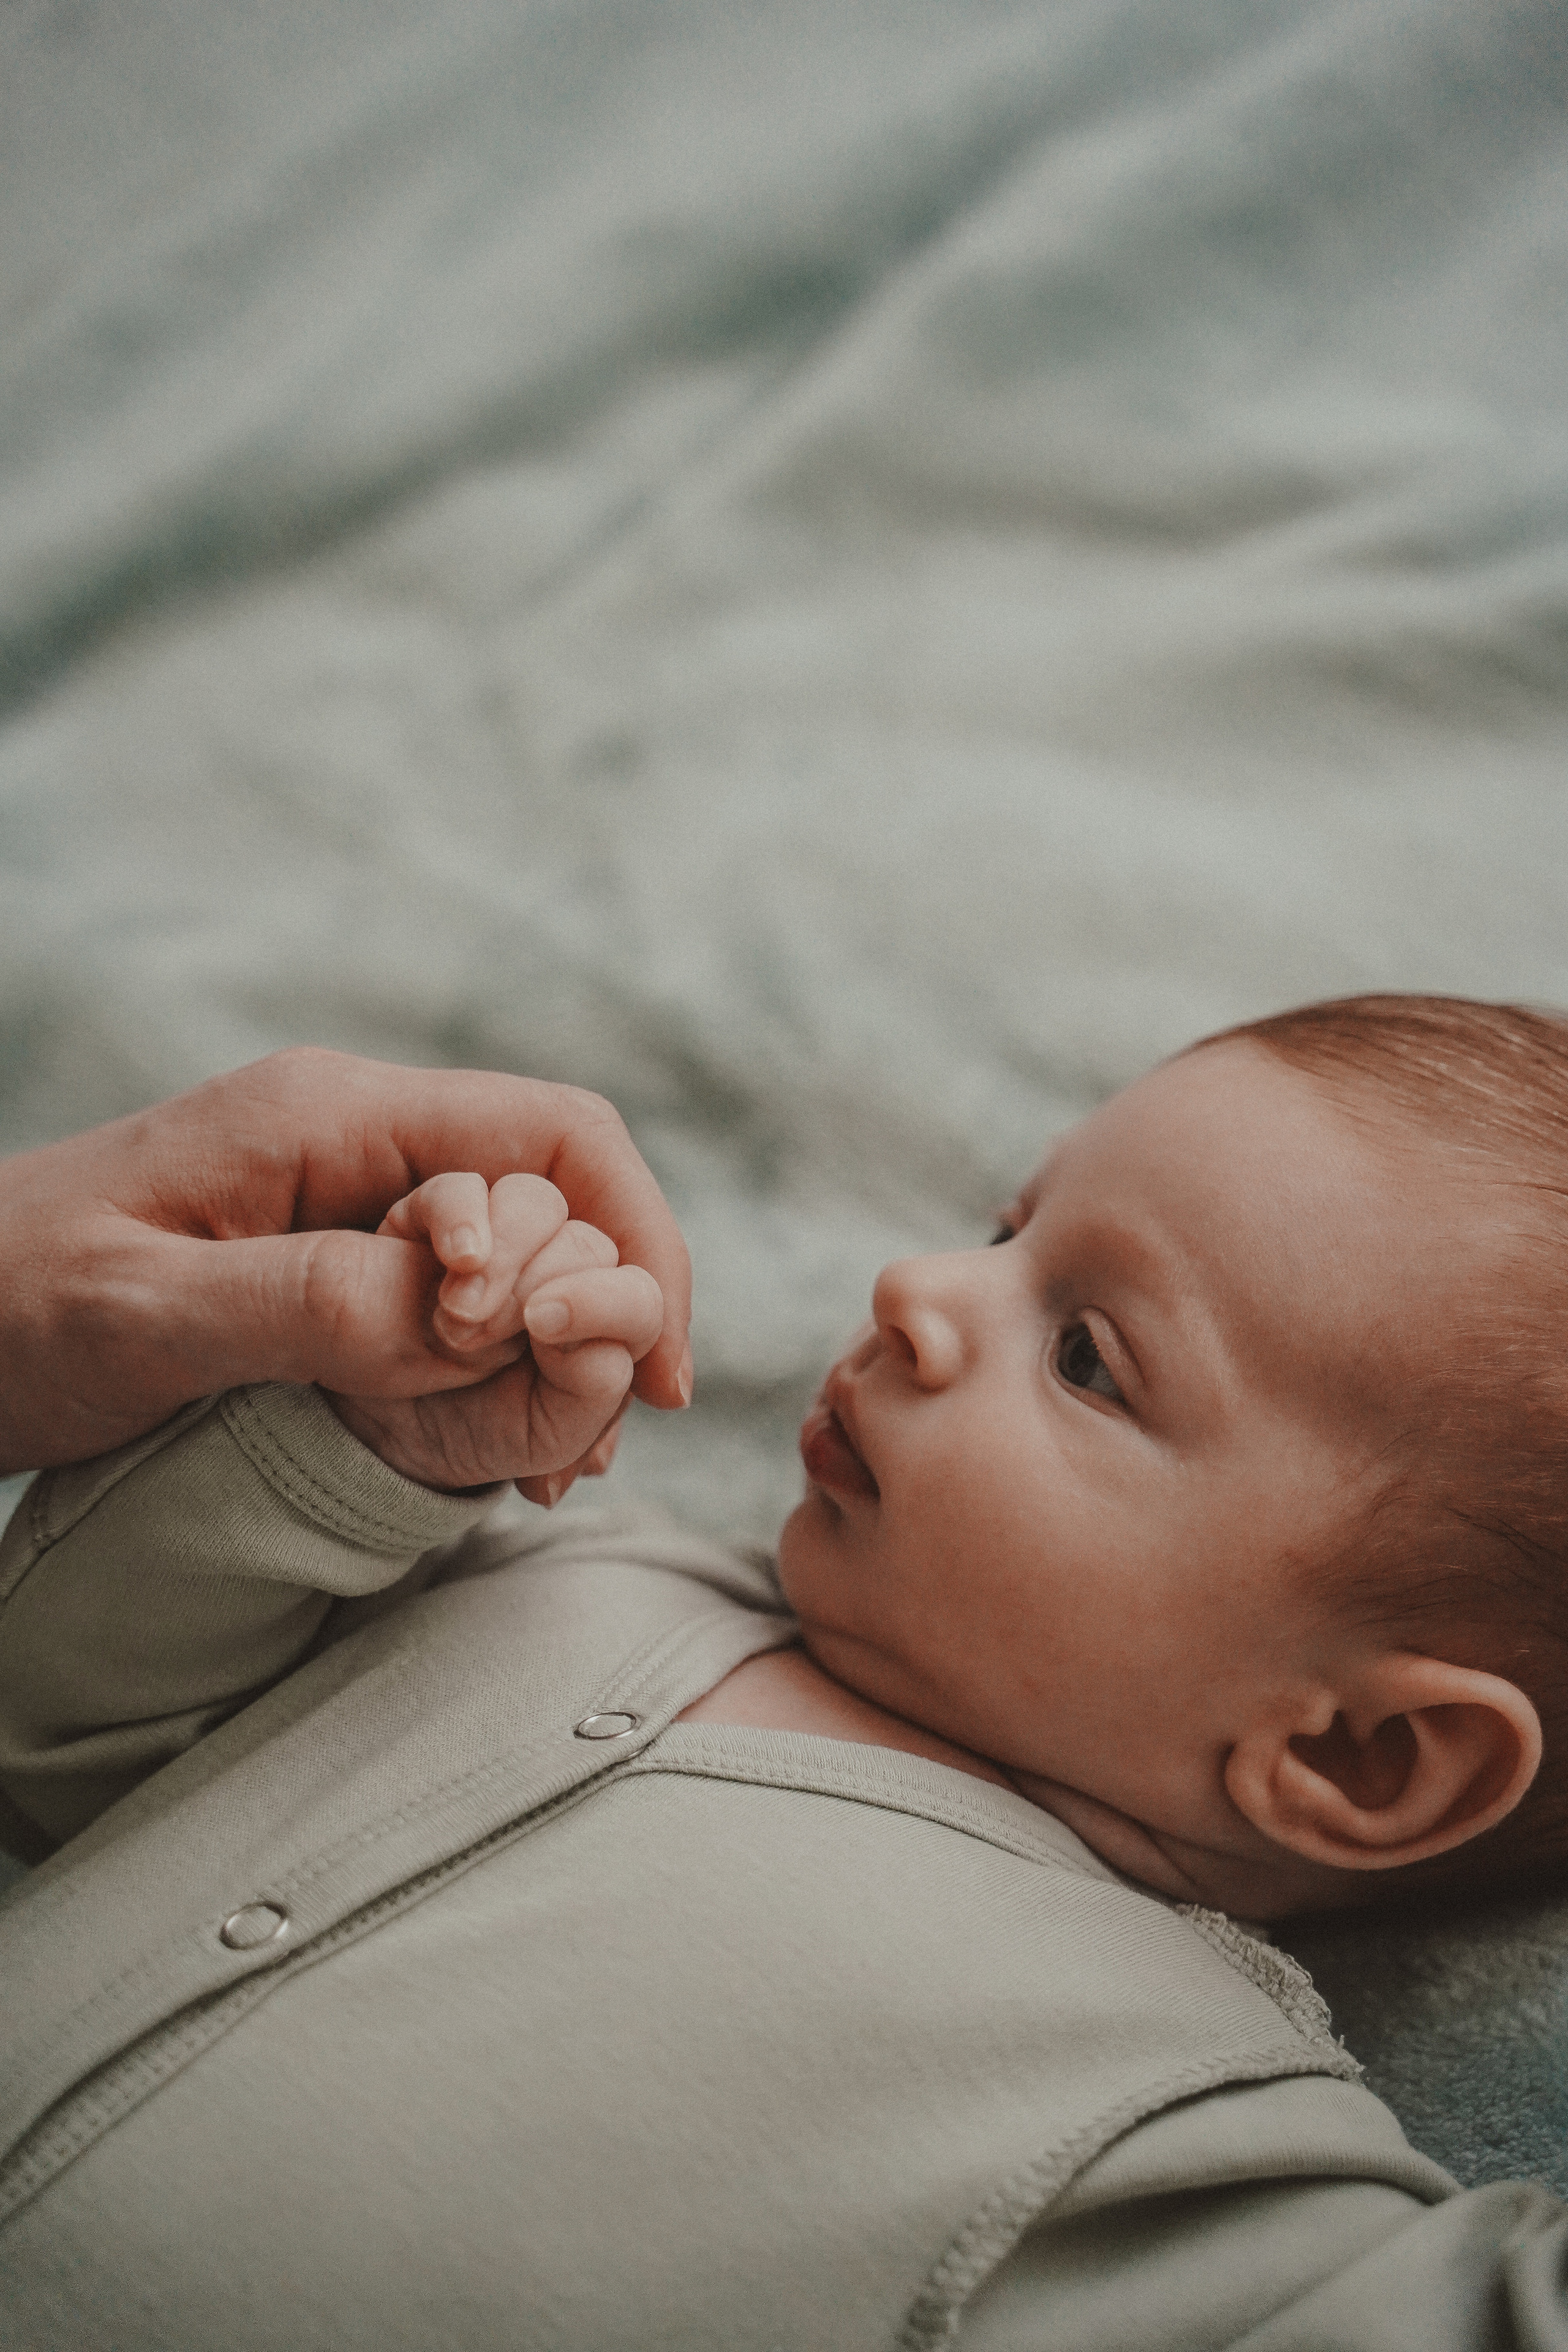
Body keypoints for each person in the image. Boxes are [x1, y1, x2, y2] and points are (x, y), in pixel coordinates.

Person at [2, 997, 1567, 2348]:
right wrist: (350, 1467)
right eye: (1004, 1231)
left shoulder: (1165, 2148)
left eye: (1085, 1352)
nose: (917, 1288)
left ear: (1356, 1756)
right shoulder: (554, 1567)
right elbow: (68, 1745)